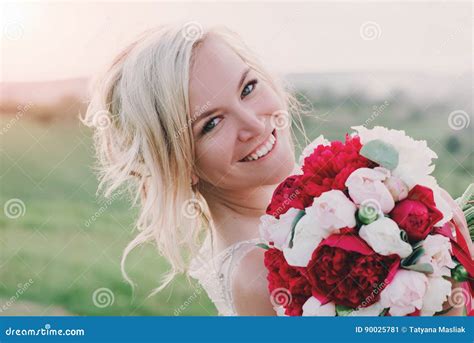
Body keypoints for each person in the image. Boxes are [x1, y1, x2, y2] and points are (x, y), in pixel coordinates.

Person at [82, 23, 473, 316]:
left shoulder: (294, 221)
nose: (253, 124)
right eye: (211, 124)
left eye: (248, 88)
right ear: (177, 165)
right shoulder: (263, 271)